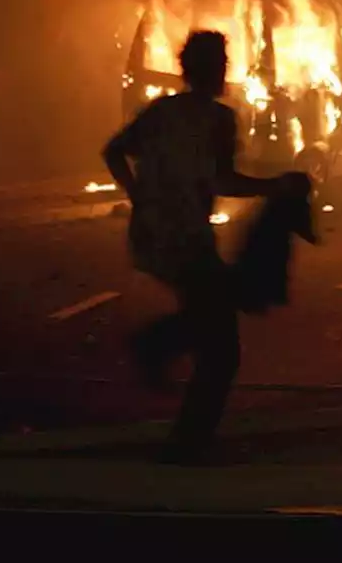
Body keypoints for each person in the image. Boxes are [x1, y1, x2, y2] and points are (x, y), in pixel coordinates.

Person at [102, 29, 291, 463]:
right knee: (222, 349)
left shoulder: (161, 113)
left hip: (154, 235)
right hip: (185, 237)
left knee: (211, 320)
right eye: (219, 62)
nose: (223, 70)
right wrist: (272, 187)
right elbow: (223, 180)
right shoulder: (218, 120)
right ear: (208, 69)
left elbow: (114, 153)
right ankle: (186, 442)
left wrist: (139, 197)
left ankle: (170, 380)